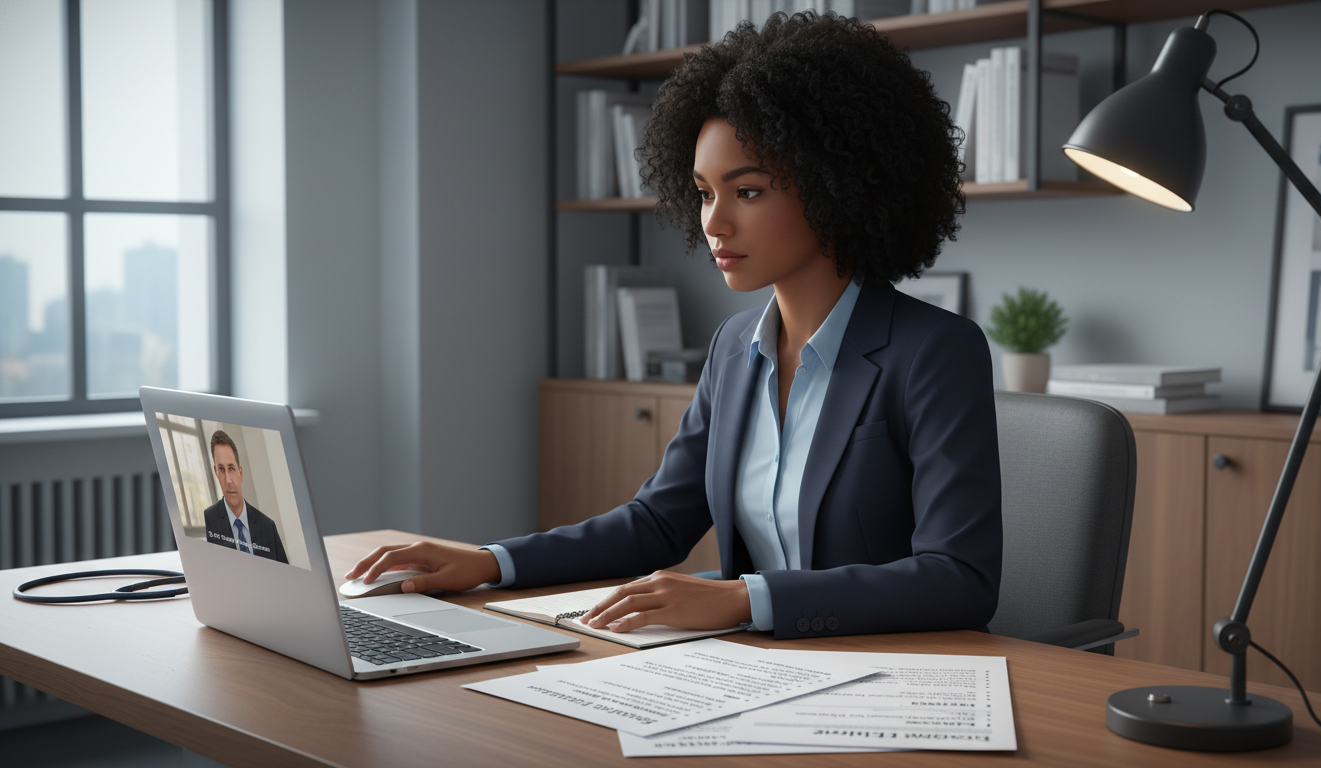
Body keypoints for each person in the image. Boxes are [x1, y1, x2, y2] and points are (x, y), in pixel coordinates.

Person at [346, 12, 1000, 639]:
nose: (714, 223)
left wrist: (746, 598)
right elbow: (657, 523)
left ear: (840, 186)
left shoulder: (934, 352)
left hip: (887, 677)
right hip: (750, 667)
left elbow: (959, 578)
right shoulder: (734, 348)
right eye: (703, 192)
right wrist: (488, 563)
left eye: (747, 192)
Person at [202, 430, 290, 564]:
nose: (228, 480)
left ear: (241, 473)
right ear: (216, 473)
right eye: (221, 469)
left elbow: (286, 576)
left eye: (231, 468)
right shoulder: (209, 520)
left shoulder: (268, 527)